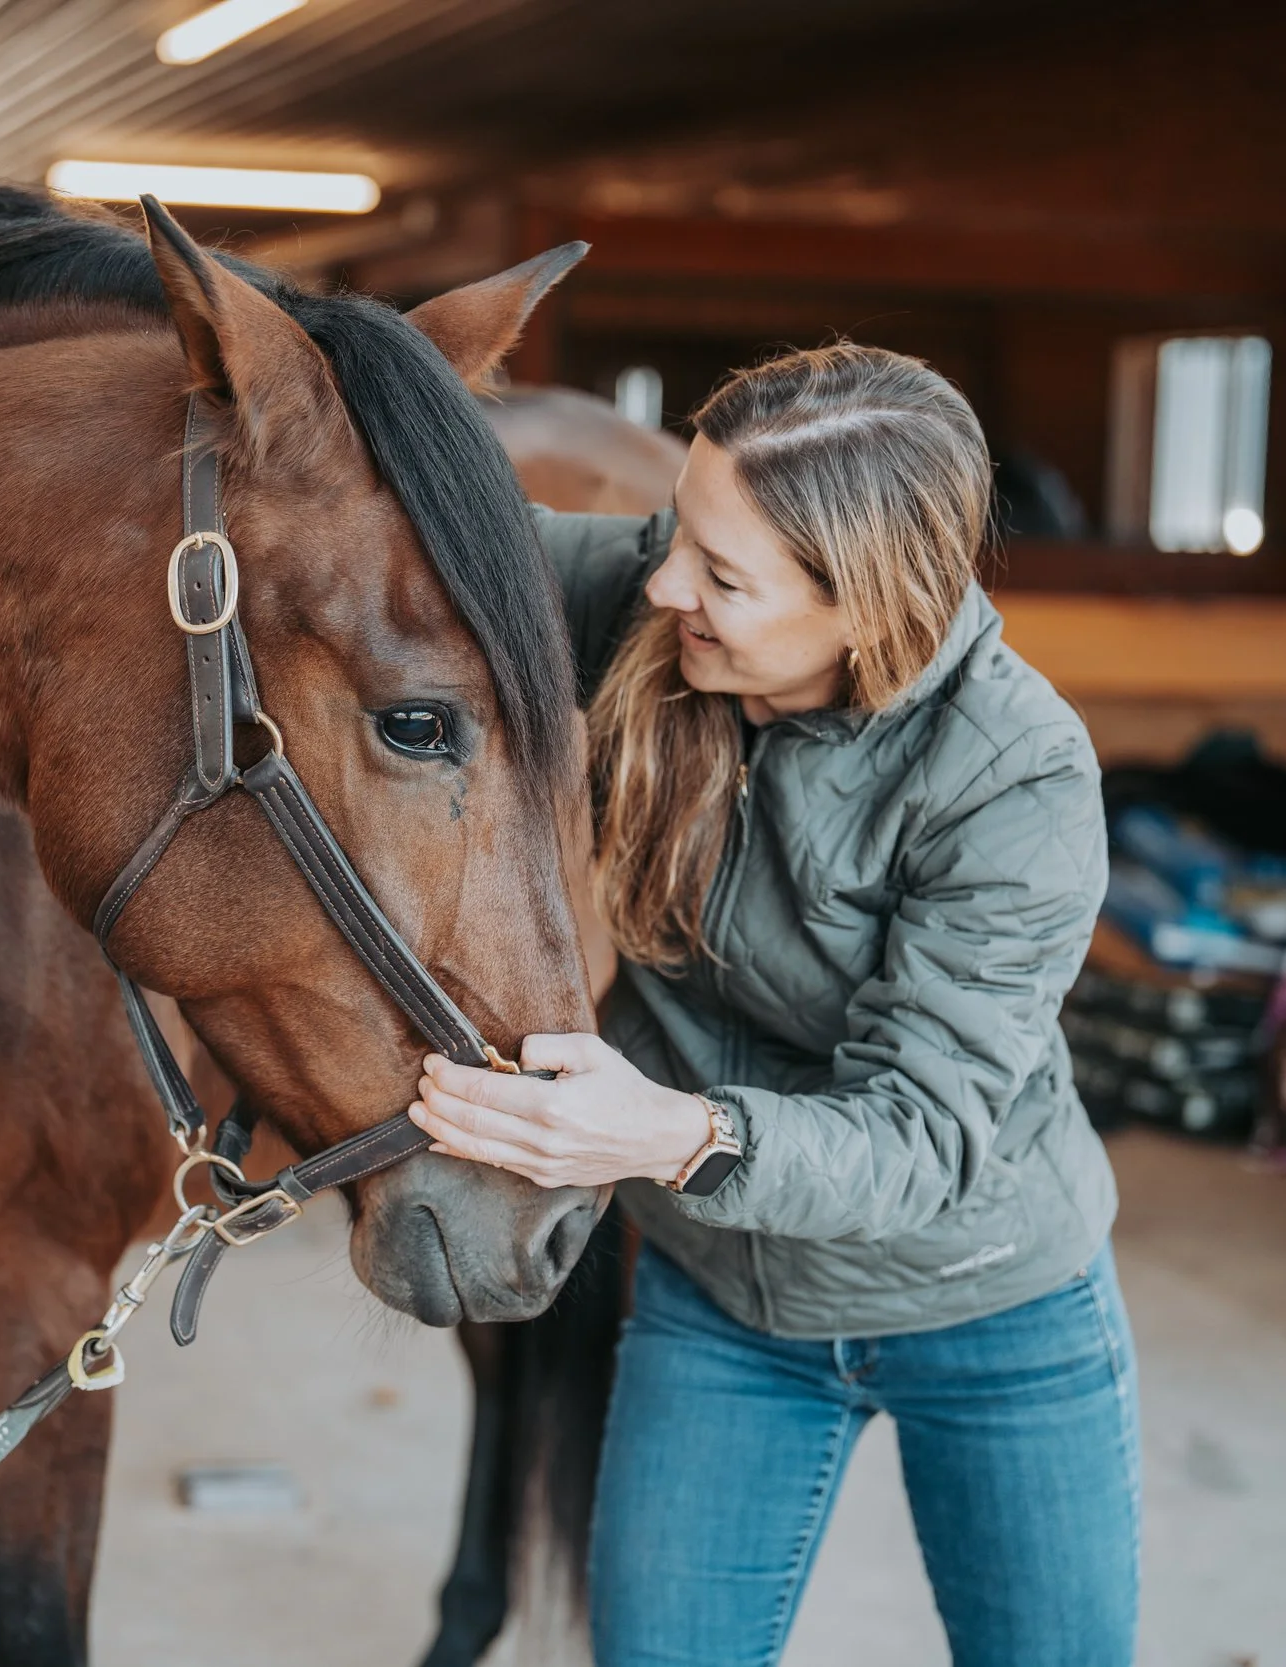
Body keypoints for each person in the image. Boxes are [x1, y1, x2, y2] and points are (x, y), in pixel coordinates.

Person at [409, 344, 1135, 1667]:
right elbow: (415, 531)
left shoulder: (1017, 778)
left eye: (723, 574)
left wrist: (664, 1134)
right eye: (681, 529)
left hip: (987, 1301)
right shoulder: (657, 606)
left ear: (863, 607)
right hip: (725, 1300)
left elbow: (917, 1135)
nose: (666, 581)